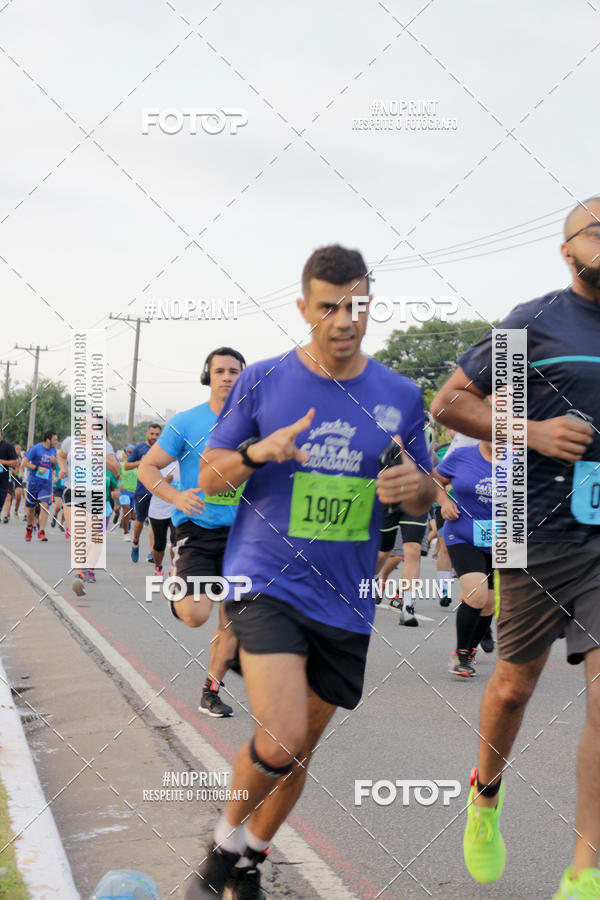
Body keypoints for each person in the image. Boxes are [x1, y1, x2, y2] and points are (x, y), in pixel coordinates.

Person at [190, 245, 435, 899]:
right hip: (264, 577)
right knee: (283, 731)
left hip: (346, 597)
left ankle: (249, 859)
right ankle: (219, 854)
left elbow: (428, 492)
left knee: (298, 751)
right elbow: (212, 479)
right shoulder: (263, 380)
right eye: (327, 306)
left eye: (355, 304)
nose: (343, 318)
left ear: (368, 305)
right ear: (304, 308)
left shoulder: (401, 394)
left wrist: (416, 487)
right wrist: (256, 450)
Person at [432, 197, 600, 898]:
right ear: (568, 251)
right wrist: (531, 432)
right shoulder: (530, 322)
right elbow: (449, 404)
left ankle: (585, 870)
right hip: (534, 532)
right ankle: (486, 792)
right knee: (512, 686)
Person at [139, 348, 247, 720]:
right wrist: (175, 496)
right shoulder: (187, 422)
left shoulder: (257, 424)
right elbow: (148, 467)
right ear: (208, 376)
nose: (227, 376)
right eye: (220, 370)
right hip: (196, 529)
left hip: (243, 535)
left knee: (234, 615)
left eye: (234, 371)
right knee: (196, 614)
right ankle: (178, 588)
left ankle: (210, 692)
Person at [432, 439, 496, 676]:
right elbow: (434, 479)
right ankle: (460, 655)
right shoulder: (461, 455)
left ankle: (470, 649)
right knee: (477, 593)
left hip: (504, 541)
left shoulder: (519, 460)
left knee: (490, 604)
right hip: (462, 534)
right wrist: (444, 502)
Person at [58, 425, 120, 595]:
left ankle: (83, 568)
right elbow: (61, 456)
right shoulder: (70, 442)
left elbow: (117, 469)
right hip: (72, 492)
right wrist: (63, 468)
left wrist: (102, 457)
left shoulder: (105, 446)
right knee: (77, 533)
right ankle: (78, 575)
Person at [125, 426, 162, 561]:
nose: (154, 437)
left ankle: (152, 552)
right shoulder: (139, 448)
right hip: (142, 491)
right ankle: (135, 542)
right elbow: (126, 466)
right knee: (140, 520)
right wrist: (141, 462)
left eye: (157, 434)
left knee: (154, 520)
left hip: (157, 490)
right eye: (152, 433)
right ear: (147, 433)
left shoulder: (162, 449)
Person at [22, 430, 58, 541]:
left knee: (45, 506)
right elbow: (25, 463)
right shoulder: (36, 449)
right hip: (34, 482)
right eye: (55, 440)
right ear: (48, 440)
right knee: (31, 508)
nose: (56, 442)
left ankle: (41, 531)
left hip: (46, 483)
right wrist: (37, 468)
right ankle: (29, 528)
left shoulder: (53, 451)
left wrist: (54, 462)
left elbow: (54, 466)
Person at [148, 460, 179, 577]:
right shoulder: (156, 464)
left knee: (175, 539)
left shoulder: (185, 463)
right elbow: (149, 487)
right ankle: (158, 567)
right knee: (159, 544)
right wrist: (164, 482)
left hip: (177, 509)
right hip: (158, 510)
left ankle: (173, 568)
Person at [119, 444, 137, 539]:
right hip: (124, 491)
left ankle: (126, 521)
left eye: (132, 452)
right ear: (125, 453)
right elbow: (116, 475)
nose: (130, 454)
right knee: (126, 509)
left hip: (135, 492)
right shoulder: (122, 465)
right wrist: (118, 484)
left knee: (133, 516)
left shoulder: (138, 465)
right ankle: (126, 532)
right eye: (128, 452)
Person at [0, 429, 18, 522]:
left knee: (6, 498)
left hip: (3, 481)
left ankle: (6, 515)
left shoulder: (7, 447)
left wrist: (2, 461)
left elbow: (15, 463)